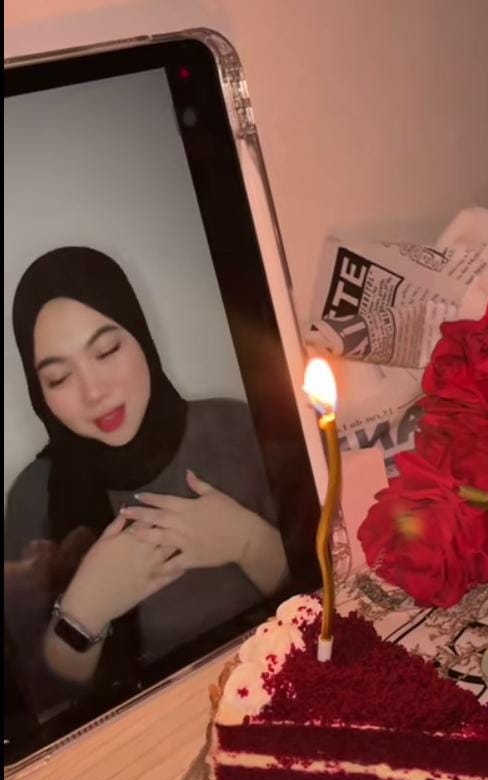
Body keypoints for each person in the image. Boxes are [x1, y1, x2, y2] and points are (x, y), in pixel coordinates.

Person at [5, 247, 288, 710]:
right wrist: (84, 610)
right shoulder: (33, 496)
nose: (94, 392)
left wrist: (249, 542)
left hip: (276, 693)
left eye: (106, 351)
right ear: (41, 395)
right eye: (58, 378)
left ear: (140, 335)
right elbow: (41, 703)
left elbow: (322, 587)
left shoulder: (236, 428)